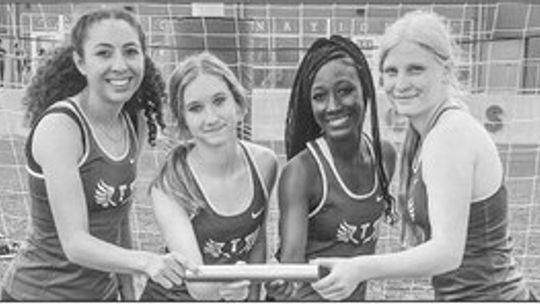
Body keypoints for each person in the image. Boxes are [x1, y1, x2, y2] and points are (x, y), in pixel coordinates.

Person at [310, 10, 535, 301]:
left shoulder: (449, 135)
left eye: (415, 69)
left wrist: (359, 268)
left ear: (445, 70)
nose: (401, 83)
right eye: (392, 71)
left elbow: (446, 253)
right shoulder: (430, 132)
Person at [1, 8, 196, 301]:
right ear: (81, 62)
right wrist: (147, 262)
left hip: (101, 296)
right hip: (38, 294)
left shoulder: (134, 121)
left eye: (131, 51)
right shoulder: (61, 127)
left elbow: (118, 218)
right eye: (104, 53)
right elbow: (75, 243)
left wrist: (128, 291)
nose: (120, 65)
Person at [265, 35, 397, 301]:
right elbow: (292, 262)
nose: (333, 106)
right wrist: (282, 281)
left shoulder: (385, 155)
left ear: (367, 89)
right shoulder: (301, 172)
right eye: (319, 96)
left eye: (345, 90)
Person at [139, 52, 278, 301]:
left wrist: (252, 296)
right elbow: (198, 285)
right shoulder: (171, 185)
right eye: (196, 108)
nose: (211, 118)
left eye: (219, 100)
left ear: (237, 102)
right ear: (184, 121)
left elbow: (257, 242)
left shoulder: (265, 163)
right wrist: (233, 284)